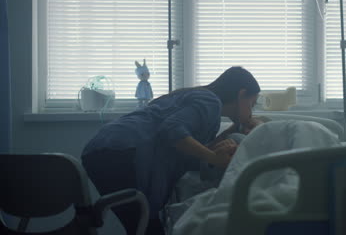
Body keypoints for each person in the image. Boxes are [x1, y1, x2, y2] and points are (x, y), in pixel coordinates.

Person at [81, 66, 260, 235]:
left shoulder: (202, 104)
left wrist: (229, 133)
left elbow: (187, 149)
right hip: (120, 150)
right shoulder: (210, 101)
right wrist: (213, 157)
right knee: (146, 227)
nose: (251, 113)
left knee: (142, 226)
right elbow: (171, 130)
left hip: (105, 149)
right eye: (252, 104)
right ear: (241, 94)